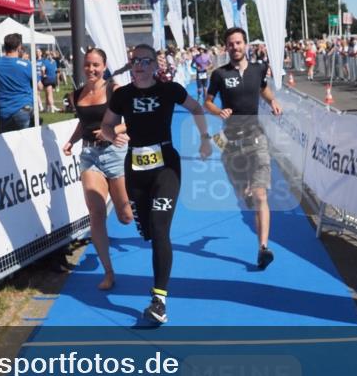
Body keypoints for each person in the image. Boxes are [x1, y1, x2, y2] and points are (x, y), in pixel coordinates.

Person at [101, 43, 212, 324]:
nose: (139, 66)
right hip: (136, 168)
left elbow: (197, 108)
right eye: (135, 61)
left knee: (161, 229)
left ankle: (159, 300)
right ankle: (147, 226)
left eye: (145, 61)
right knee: (148, 230)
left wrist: (204, 138)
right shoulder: (122, 95)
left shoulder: (169, 90)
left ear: (155, 65)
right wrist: (112, 136)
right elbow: (107, 125)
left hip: (166, 167)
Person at [204, 27, 283, 269]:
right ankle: (246, 195)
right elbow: (207, 101)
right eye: (231, 44)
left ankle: (263, 248)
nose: (235, 47)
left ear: (245, 45)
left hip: (256, 138)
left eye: (239, 43)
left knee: (261, 195)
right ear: (226, 47)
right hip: (231, 142)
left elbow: (262, 88)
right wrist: (219, 111)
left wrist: (272, 100)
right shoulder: (219, 74)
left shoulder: (259, 69)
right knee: (244, 195)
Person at [63, 49, 133, 290]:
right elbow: (83, 123)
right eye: (87, 65)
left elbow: (132, 121)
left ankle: (132, 202)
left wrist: (112, 131)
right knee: (96, 212)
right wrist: (72, 141)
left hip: (114, 153)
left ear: (104, 66)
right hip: (89, 156)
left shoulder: (115, 91)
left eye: (96, 65)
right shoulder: (76, 94)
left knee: (126, 217)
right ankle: (109, 272)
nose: (91, 70)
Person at [0, 33, 36, 133]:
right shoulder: (26, 65)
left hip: (3, 111)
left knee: (6, 145)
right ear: (19, 47)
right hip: (23, 109)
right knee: (26, 145)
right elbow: (39, 86)